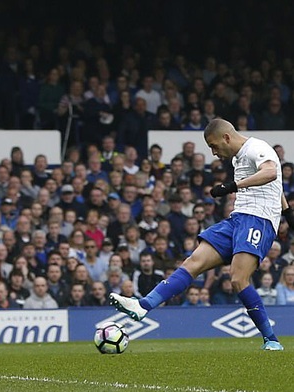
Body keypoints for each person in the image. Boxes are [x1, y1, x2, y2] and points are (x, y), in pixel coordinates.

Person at [110, 119, 288, 351]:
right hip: (238, 218)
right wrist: (287, 211)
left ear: (226, 137)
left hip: (259, 220)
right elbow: (276, 186)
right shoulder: (239, 157)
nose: (214, 153)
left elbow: (271, 172)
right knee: (193, 261)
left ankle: (271, 339)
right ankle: (143, 305)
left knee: (237, 278)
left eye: (214, 146)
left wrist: (232, 186)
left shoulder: (256, 147)